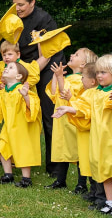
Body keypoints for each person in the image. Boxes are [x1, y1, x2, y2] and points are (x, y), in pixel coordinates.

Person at [12, 0, 64, 175]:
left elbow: (48, 53)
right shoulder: (14, 17)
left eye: (21, 5)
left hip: (47, 68)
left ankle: (55, 167)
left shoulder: (44, 19)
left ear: (32, 2)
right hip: (26, 68)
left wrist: (31, 75)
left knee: (49, 116)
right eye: (15, 5)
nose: (17, 9)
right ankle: (20, 159)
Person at [53, 54, 112, 214]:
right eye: (98, 72)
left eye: (104, 72)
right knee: (102, 169)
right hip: (98, 138)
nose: (99, 75)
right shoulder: (95, 93)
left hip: (109, 139)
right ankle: (108, 201)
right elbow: (85, 108)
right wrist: (68, 108)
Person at [0, 62, 41, 188]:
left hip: (21, 128)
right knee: (2, 149)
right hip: (8, 127)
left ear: (18, 76)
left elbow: (32, 107)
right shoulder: (3, 93)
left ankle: (26, 178)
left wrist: (26, 96)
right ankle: (8, 175)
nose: (6, 69)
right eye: (6, 67)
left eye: (11, 68)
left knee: (23, 150)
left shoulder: (21, 91)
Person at [45, 48, 97, 191]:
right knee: (63, 149)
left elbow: (65, 93)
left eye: (77, 54)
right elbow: (55, 93)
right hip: (61, 119)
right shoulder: (68, 78)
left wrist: (60, 77)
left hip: (73, 120)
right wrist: (56, 76)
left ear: (83, 64)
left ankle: (81, 183)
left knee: (78, 150)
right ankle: (60, 180)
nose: (72, 55)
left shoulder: (82, 81)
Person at [63, 63, 100, 203]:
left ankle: (98, 194)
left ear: (92, 81)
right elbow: (80, 106)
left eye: (83, 77)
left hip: (91, 135)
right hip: (84, 135)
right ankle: (94, 192)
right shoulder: (87, 92)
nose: (81, 80)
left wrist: (70, 103)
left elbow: (84, 109)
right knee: (88, 163)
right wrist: (70, 100)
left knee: (93, 163)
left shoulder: (93, 92)